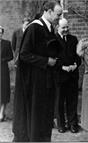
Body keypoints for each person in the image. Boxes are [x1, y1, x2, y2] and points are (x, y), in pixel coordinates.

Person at [12, 1, 63, 142]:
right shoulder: (34, 28)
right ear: (48, 11)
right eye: (58, 14)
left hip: (46, 81)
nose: (60, 17)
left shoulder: (50, 29)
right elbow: (24, 54)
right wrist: (46, 61)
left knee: (45, 115)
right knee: (36, 117)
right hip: (34, 83)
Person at [55, 18, 81, 133]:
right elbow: (52, 58)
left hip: (72, 76)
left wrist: (75, 65)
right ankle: (61, 124)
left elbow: (78, 56)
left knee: (72, 101)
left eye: (67, 27)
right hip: (59, 76)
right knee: (59, 101)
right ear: (58, 27)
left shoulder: (73, 39)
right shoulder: (53, 40)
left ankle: (73, 124)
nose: (66, 29)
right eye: (63, 27)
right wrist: (62, 67)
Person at [0, 26, 13, 122]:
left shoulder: (7, 43)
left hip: (3, 69)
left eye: (0, 33)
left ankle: (1, 113)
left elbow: (10, 56)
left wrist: (2, 60)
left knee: (3, 90)